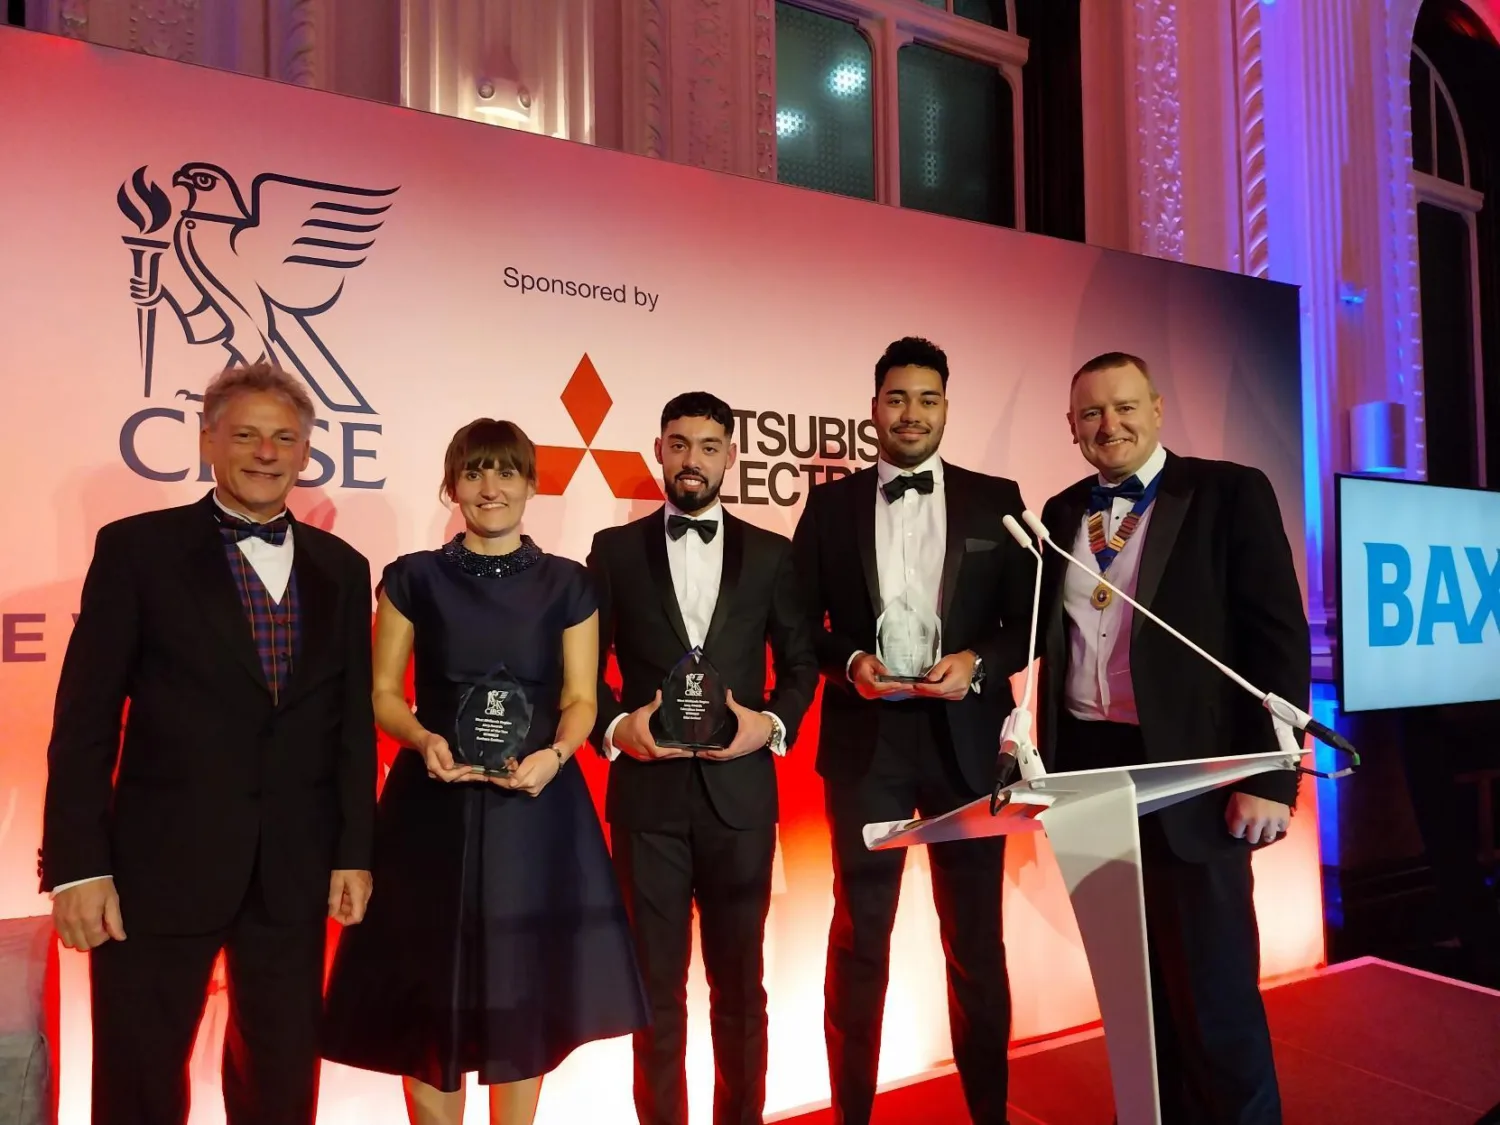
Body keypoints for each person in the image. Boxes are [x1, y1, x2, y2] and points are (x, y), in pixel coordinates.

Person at [40, 361, 376, 1125]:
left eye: (284, 437)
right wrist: (77, 866)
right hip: (156, 868)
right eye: (247, 434)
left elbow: (350, 724)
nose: (266, 452)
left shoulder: (344, 568)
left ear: (305, 450)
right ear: (208, 443)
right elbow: (85, 721)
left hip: (292, 872)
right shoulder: (136, 550)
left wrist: (354, 849)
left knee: (284, 1077)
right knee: (138, 1077)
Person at [321, 419, 648, 1125]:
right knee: (427, 995)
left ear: (532, 485)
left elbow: (582, 698)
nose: (490, 487)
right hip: (429, 809)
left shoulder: (571, 583)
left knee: (521, 989)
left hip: (533, 809)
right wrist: (422, 739)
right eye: (474, 472)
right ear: (452, 485)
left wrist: (556, 756)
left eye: (505, 472)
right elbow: (382, 693)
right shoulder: (412, 577)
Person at [1036, 351, 1308, 1125]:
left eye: (1124, 407)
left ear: (1156, 408)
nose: (1108, 424)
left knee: (1215, 1001)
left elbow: (1277, 642)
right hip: (1089, 775)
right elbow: (1046, 639)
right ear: (1071, 427)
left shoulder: (1228, 492)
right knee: (1137, 1004)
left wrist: (1272, 777)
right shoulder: (1060, 512)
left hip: (1196, 776)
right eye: (1091, 413)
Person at [792, 337, 1035, 1125]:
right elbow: (799, 626)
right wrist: (852, 661)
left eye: (927, 399)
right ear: (874, 407)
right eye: (897, 398)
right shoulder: (829, 506)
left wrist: (979, 661)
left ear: (945, 407)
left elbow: (1030, 619)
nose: (911, 413)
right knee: (861, 938)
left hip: (966, 746)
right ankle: (851, 1116)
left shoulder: (995, 497)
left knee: (976, 944)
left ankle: (990, 1116)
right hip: (869, 747)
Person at [587, 391, 818, 1125]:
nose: (693, 460)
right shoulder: (613, 551)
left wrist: (771, 725)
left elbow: (803, 663)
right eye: (680, 444)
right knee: (654, 994)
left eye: (709, 446)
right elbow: (581, 668)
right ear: (659, 450)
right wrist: (617, 725)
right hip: (647, 805)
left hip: (739, 800)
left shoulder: (773, 552)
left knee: (741, 989)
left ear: (731, 456)